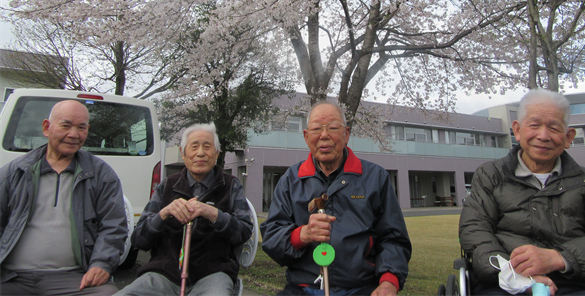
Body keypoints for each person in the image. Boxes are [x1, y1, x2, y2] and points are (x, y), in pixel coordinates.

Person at [459, 89, 585, 296]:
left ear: (569, 137)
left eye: (554, 128)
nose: (543, 136)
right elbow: (475, 231)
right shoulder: (490, 175)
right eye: (534, 125)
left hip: (574, 283)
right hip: (502, 283)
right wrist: (516, 276)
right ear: (517, 130)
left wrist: (558, 258)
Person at [260, 102, 412, 296]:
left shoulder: (375, 177)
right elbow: (272, 238)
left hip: (362, 288)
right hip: (303, 288)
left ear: (346, 134)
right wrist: (303, 234)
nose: (324, 135)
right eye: (316, 129)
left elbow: (394, 239)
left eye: (333, 128)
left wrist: (389, 281)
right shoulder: (291, 180)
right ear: (307, 137)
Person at [0, 99, 128, 296]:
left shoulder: (101, 174)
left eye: (81, 128)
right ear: (46, 128)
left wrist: (102, 263)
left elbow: (113, 226)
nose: (73, 134)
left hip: (73, 278)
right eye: (66, 125)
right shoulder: (14, 172)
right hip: (11, 276)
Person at [115, 123, 252, 296]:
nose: (200, 153)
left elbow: (244, 232)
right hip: (164, 273)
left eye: (207, 147)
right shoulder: (167, 186)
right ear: (183, 153)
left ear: (216, 154)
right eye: (194, 146)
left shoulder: (231, 185)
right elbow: (139, 240)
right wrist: (163, 214)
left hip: (213, 273)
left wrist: (214, 214)